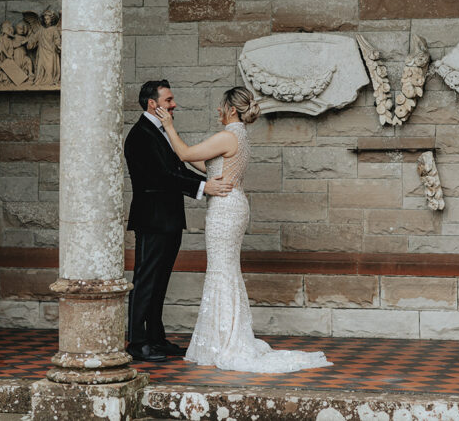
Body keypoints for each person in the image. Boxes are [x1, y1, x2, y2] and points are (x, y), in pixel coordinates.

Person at [155, 87, 332, 372]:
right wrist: (179, 147)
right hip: (234, 204)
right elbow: (208, 164)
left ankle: (226, 341)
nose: (218, 110)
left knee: (221, 271)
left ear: (232, 109)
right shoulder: (239, 136)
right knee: (225, 270)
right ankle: (224, 337)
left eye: (221, 106)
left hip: (225, 209)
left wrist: (169, 127)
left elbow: (187, 154)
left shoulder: (227, 135)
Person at [125, 80, 232, 362]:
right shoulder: (140, 135)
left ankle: (156, 338)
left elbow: (178, 167)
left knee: (160, 280)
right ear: (153, 103)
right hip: (152, 219)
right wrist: (204, 188)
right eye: (169, 100)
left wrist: (208, 180)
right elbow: (162, 176)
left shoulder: (161, 132)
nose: (174, 104)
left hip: (169, 218)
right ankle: (137, 342)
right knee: (145, 279)